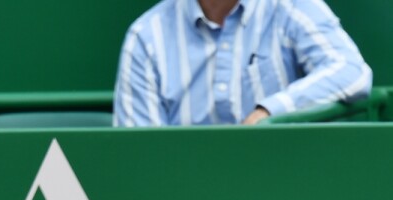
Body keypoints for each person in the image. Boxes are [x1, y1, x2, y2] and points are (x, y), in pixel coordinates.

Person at [113, 0, 373, 126]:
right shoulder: (147, 35)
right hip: (187, 194)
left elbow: (352, 72)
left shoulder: (291, 6)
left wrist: (269, 111)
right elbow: (138, 151)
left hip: (285, 180)